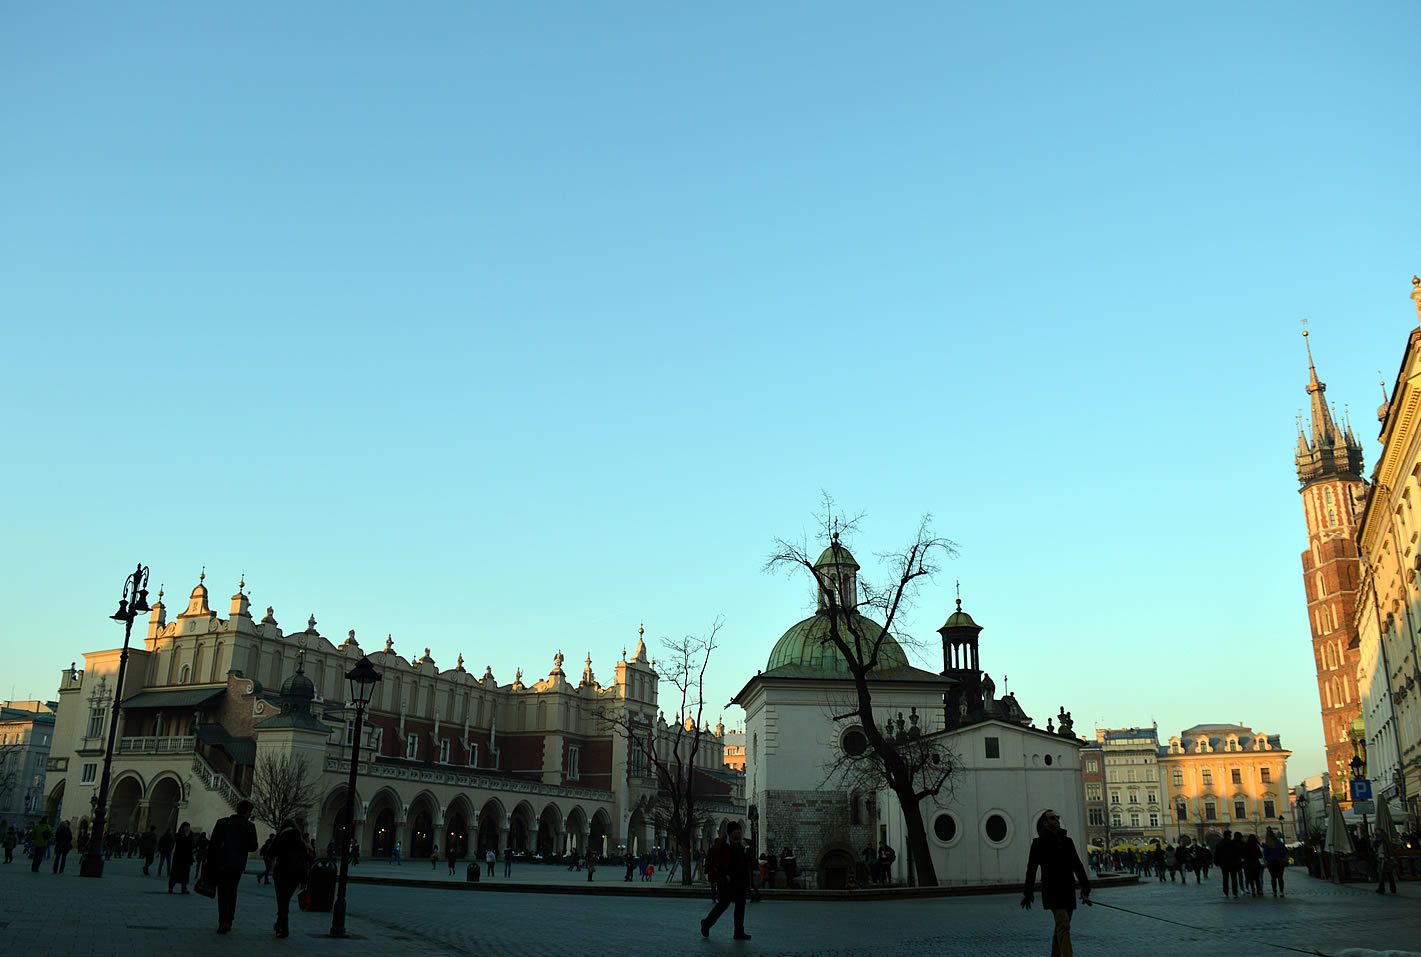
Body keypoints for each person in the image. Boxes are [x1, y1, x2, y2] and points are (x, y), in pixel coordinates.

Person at [1021, 809, 1090, 957]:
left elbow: (1077, 865)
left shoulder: (1067, 841)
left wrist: (1085, 887)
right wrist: (1028, 893)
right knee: (1063, 925)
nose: (1057, 820)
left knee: (1062, 925)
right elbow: (1031, 869)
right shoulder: (1038, 843)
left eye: (1057, 817)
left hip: (1068, 888)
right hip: (1052, 890)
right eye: (1052, 818)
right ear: (1045, 823)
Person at [206, 799, 258, 934]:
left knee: (222, 892)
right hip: (237, 864)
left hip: (222, 863)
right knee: (232, 890)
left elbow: (213, 844)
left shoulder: (222, 823)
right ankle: (229, 919)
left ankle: (222, 921)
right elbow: (254, 846)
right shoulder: (249, 826)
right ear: (247, 812)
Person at [700, 822, 751, 941]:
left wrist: (746, 881)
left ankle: (739, 932)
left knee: (740, 905)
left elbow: (744, 863)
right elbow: (718, 862)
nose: (739, 833)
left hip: (740, 880)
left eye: (739, 831)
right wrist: (724, 875)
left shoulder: (740, 846)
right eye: (736, 831)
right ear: (731, 833)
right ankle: (707, 923)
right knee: (723, 904)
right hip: (727, 881)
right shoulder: (723, 845)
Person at [270, 819, 310, 939]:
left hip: (281, 873)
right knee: (285, 900)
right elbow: (304, 862)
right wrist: (304, 879)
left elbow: (270, 853)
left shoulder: (279, 839)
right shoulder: (300, 842)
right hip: (295, 875)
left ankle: (283, 927)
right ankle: (280, 925)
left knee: (281, 901)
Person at [169, 822, 194, 893]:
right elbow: (180, 843)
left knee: (185, 874)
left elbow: (191, 845)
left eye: (188, 827)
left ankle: (184, 888)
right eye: (186, 826)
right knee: (175, 873)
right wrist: (186, 836)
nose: (187, 828)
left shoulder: (190, 835)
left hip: (186, 858)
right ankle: (171, 887)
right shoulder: (178, 835)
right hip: (178, 857)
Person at [1262, 828, 1287, 896]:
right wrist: (1282, 856)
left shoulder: (1267, 844)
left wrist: (1267, 860)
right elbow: (1285, 851)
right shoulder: (1279, 843)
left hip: (1271, 862)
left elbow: (1265, 854)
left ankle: (1274, 891)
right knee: (1280, 877)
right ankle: (1281, 891)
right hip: (1279, 861)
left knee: (1273, 877)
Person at [1213, 831, 1237, 897]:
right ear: (1228, 836)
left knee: (1225, 878)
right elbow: (1236, 853)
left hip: (1223, 864)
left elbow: (1216, 854)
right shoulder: (1232, 843)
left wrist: (1216, 862)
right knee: (1234, 878)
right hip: (1232, 863)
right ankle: (1235, 892)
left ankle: (1226, 892)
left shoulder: (1219, 844)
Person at [1375, 830, 1398, 895]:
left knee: (1385, 874)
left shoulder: (1385, 840)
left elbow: (1390, 849)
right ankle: (1390, 888)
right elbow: (1375, 848)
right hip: (1381, 859)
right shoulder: (1377, 841)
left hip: (1386, 859)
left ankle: (1383, 889)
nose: (1376, 832)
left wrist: (1390, 857)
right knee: (1386, 874)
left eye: (1377, 831)